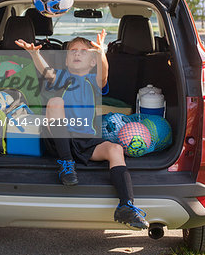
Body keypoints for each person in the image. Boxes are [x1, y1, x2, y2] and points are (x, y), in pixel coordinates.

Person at [15, 30, 148, 229]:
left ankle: (126, 205)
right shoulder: (63, 78)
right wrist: (35, 54)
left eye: (84, 51)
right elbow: (47, 72)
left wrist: (101, 52)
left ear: (92, 61)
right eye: (73, 51)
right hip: (60, 140)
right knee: (55, 102)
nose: (77, 54)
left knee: (115, 149)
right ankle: (66, 164)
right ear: (67, 60)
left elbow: (104, 74)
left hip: (86, 141)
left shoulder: (93, 81)